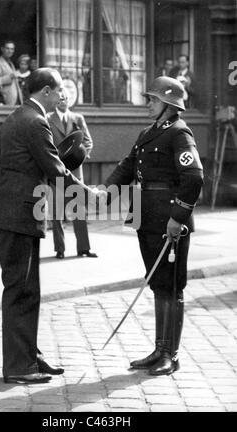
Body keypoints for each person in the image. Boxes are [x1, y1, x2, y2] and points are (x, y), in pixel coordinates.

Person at [0, 67, 99, 384]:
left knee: (27, 290)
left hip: (12, 215)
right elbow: (57, 170)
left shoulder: (16, 117)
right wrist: (89, 195)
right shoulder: (36, 122)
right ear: (45, 91)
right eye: (59, 89)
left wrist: (18, 177)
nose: (63, 95)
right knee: (21, 291)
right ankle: (19, 367)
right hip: (19, 217)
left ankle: (28, 356)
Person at [103, 76, 203, 375]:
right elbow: (128, 165)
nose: (148, 103)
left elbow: (194, 177)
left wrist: (178, 218)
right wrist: (105, 192)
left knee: (172, 285)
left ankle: (170, 354)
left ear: (169, 105)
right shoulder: (148, 132)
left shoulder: (179, 133)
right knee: (159, 283)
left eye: (154, 99)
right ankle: (159, 349)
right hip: (146, 217)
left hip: (169, 219)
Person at [47, 90, 97, 259]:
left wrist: (81, 155)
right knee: (56, 213)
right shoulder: (47, 119)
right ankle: (59, 249)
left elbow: (88, 141)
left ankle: (84, 249)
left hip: (75, 172)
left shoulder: (78, 118)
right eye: (60, 99)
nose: (64, 101)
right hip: (56, 171)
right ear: (55, 101)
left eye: (66, 98)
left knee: (79, 212)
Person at [0, 40, 23, 106]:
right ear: (2, 49)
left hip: (16, 100)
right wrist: (10, 77)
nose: (10, 51)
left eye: (12, 49)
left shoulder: (11, 63)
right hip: (6, 100)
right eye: (7, 48)